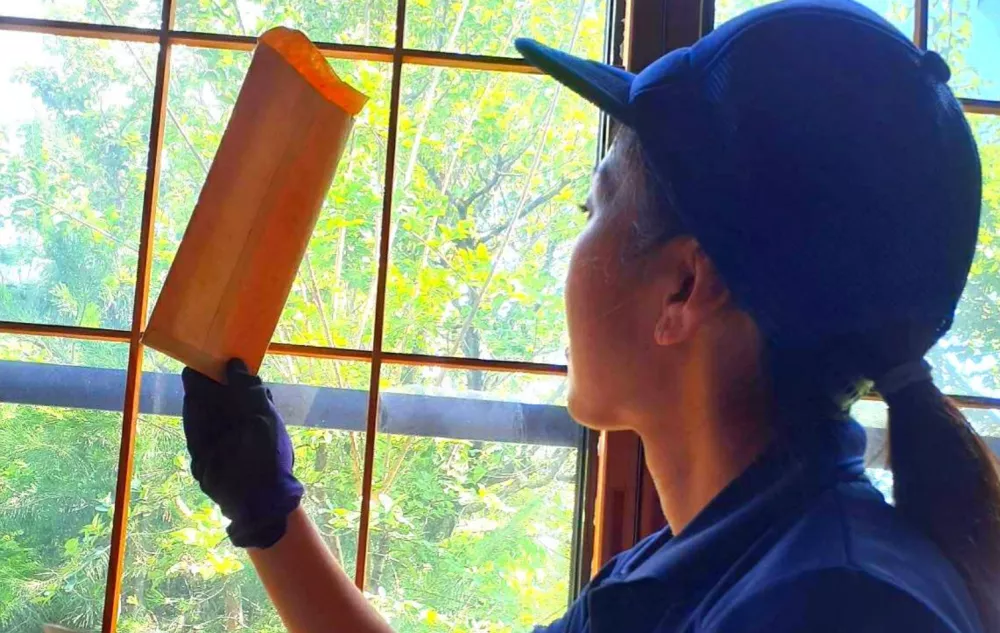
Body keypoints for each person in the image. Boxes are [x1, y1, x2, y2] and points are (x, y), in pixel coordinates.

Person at [179, 0, 1000, 631]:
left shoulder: (833, 607)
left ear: (683, 288)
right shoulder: (718, 564)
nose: (566, 252)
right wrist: (267, 511)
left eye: (592, 206)